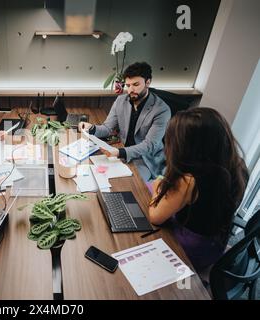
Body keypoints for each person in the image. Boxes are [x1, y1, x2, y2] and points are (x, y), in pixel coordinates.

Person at [148, 107, 249, 271]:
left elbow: (155, 217)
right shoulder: (238, 165)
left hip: (189, 250)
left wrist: (158, 187)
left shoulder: (188, 181)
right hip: (216, 243)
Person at [79, 62, 171, 181]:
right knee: (95, 174)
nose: (130, 90)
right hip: (121, 150)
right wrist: (91, 128)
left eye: (136, 84)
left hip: (145, 159)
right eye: (128, 85)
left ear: (148, 82)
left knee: (128, 183)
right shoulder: (121, 101)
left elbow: (149, 145)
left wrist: (119, 152)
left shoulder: (161, 110)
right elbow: (107, 128)